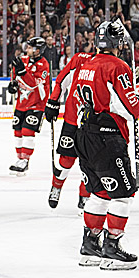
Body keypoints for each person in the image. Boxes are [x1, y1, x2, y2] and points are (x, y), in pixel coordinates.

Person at [73, 20, 139, 270]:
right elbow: (130, 107)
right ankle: (112, 247)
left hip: (85, 135)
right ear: (116, 42)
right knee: (123, 195)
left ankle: (90, 245)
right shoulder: (118, 66)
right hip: (108, 138)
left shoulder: (86, 64)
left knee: (99, 193)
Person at [43, 45, 96, 209]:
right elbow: (61, 80)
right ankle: (56, 186)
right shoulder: (80, 59)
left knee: (90, 163)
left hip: (94, 123)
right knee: (66, 159)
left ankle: (85, 196)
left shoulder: (113, 64)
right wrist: (53, 101)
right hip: (73, 119)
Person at [7, 37, 51, 175]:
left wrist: (22, 72)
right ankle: (19, 159)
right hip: (22, 102)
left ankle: (25, 161)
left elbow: (33, 84)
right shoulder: (24, 60)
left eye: (31, 48)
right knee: (17, 131)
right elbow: (15, 74)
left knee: (27, 131)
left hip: (37, 103)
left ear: (38, 50)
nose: (27, 49)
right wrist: (12, 83)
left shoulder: (44, 65)